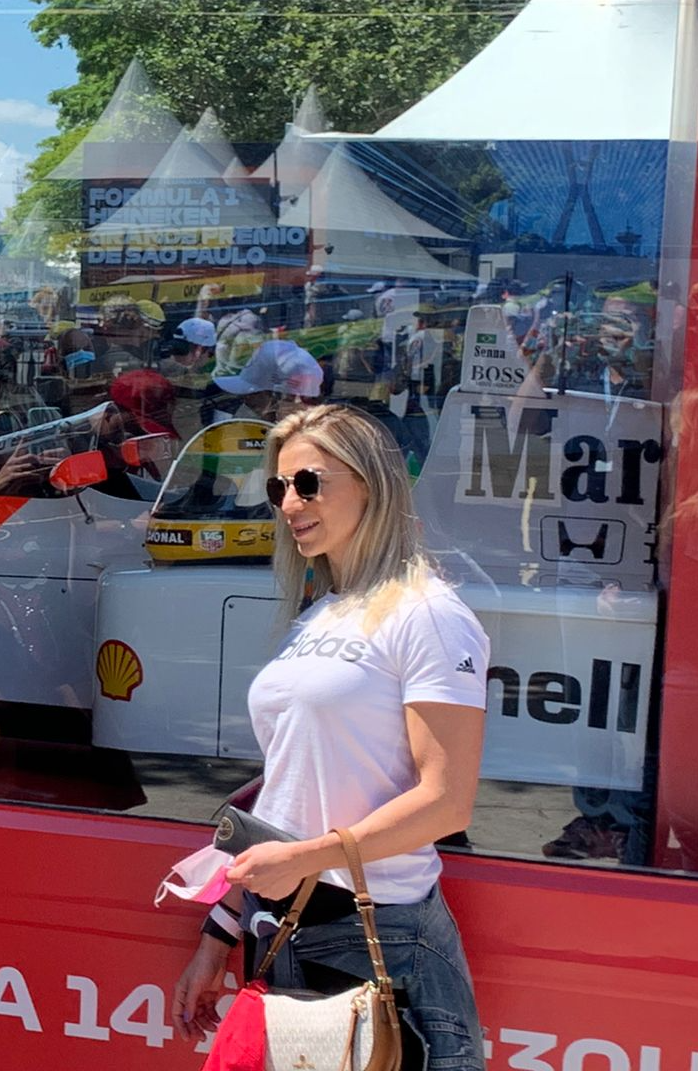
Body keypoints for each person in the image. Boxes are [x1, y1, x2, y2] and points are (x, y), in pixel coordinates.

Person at [173, 404, 487, 1070]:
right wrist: (218, 934)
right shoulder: (317, 615)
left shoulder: (429, 615)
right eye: (278, 488)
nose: (290, 502)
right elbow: (286, 792)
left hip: (381, 942)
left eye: (309, 482)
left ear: (371, 481)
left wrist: (307, 857)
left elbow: (446, 802)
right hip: (286, 933)